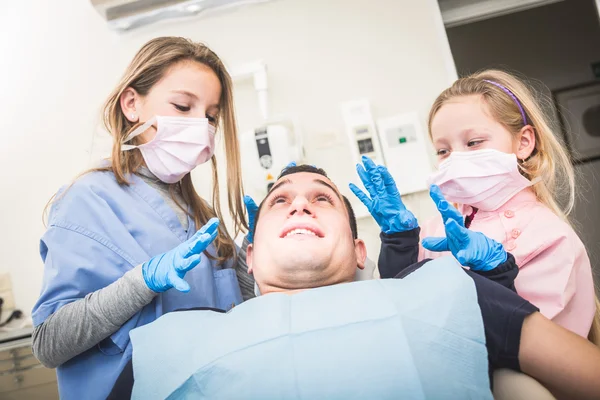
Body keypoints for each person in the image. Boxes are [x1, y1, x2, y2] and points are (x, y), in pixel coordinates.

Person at [110, 165, 600, 400]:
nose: (300, 204)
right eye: (280, 201)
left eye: (322, 199)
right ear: (251, 259)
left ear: (360, 249)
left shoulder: (446, 289)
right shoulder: (174, 340)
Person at [31, 37, 254, 400]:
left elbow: (241, 318)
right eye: (183, 106)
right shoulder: (87, 200)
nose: (201, 126)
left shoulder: (203, 216)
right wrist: (142, 283)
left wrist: (261, 255)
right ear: (132, 104)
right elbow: (48, 343)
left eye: (211, 116)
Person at [352, 70, 600, 343]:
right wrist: (399, 241)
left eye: (473, 143)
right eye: (443, 151)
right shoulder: (438, 226)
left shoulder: (549, 236)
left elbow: (538, 351)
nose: (456, 158)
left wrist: (496, 273)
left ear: (524, 142)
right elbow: (400, 302)